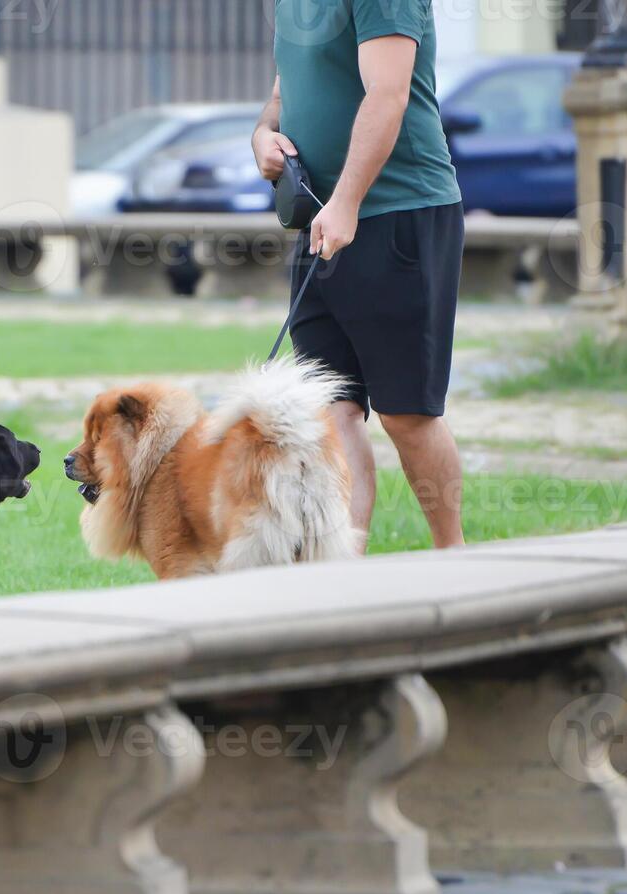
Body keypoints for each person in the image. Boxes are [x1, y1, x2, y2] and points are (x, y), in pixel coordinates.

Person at [253, 0, 466, 550]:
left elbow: (388, 94)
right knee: (332, 408)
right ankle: (344, 562)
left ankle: (454, 553)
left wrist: (346, 201)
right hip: (320, 217)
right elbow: (286, 92)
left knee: (406, 412)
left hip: (399, 215)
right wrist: (263, 136)